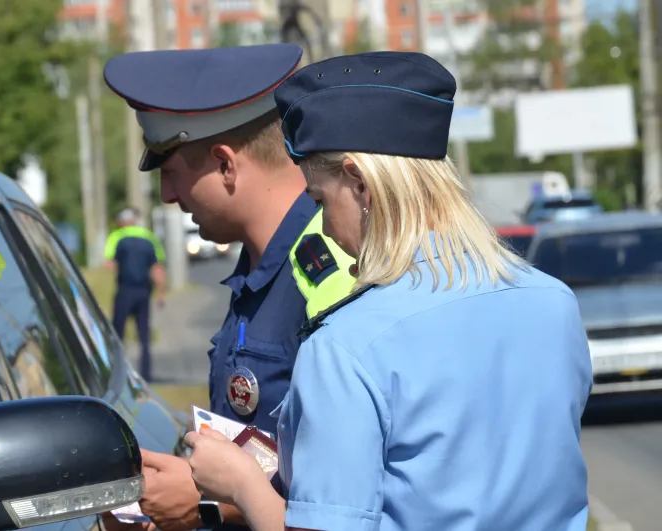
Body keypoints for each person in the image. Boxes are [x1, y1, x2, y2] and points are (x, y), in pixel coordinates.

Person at [184, 51, 593, 531]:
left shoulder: (346, 347)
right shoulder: (553, 303)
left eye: (321, 201)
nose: (326, 230)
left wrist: (242, 485)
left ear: (360, 183)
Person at [101, 43, 357, 531]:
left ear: (225, 164)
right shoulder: (260, 268)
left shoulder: (331, 277)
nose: (168, 196)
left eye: (173, 174)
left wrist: (206, 503)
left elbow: (352, 491)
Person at [104, 207, 168, 381]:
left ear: (123, 222)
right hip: (143, 292)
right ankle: (146, 375)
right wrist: (161, 294)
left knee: (118, 334)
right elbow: (157, 268)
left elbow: (109, 264)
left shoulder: (117, 237)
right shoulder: (150, 238)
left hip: (125, 290)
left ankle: (117, 374)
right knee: (144, 335)